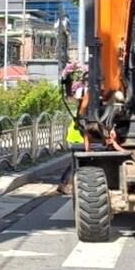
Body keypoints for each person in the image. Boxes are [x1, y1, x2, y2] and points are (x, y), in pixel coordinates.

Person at [58, 64, 86, 195]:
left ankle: (65, 183)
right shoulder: (83, 95)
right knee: (75, 161)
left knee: (75, 160)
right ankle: (66, 183)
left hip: (79, 132)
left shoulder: (82, 94)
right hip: (79, 133)